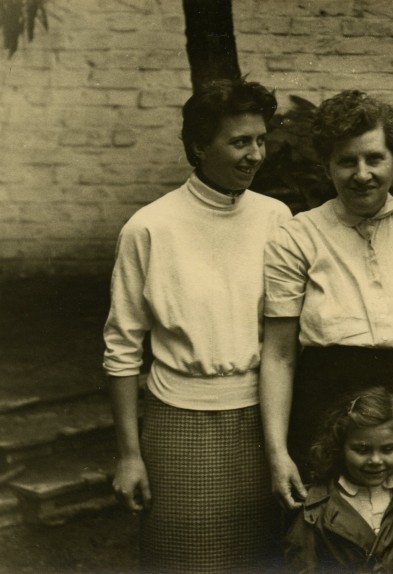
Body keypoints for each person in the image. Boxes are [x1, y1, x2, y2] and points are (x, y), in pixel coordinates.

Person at [260, 90, 393, 515]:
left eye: (374, 159)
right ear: (327, 165)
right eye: (346, 161)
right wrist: (277, 451)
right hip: (327, 415)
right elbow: (280, 353)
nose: (362, 175)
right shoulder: (298, 236)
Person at [103, 78, 291, 573]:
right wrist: (129, 455)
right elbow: (122, 348)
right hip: (179, 421)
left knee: (264, 561)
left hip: (265, 418)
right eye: (239, 142)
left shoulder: (277, 218)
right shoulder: (150, 227)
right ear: (198, 147)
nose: (255, 155)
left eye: (260, 140)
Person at [283, 386, 393, 573]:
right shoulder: (315, 510)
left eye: (388, 449)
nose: (376, 461)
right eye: (362, 450)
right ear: (340, 447)